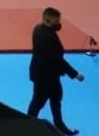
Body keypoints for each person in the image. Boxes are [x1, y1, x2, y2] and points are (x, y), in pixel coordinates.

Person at [27, 7, 84, 135]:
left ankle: (59, 125)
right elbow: (56, 59)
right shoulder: (47, 37)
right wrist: (75, 74)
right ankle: (28, 126)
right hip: (44, 75)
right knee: (38, 102)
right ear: (47, 20)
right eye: (56, 21)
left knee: (56, 97)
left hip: (48, 73)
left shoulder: (38, 28)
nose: (58, 24)